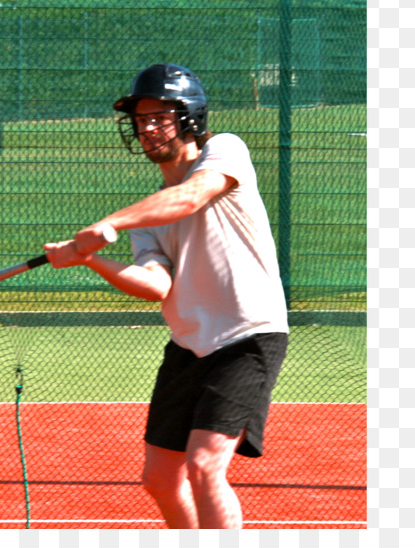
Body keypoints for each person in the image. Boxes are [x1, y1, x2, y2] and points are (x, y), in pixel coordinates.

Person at [43, 63, 289, 529]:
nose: (147, 128)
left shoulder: (225, 151)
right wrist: (89, 258)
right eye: (140, 120)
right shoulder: (150, 212)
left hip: (248, 335)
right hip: (189, 345)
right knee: (159, 477)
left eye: (160, 116)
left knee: (204, 465)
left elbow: (192, 197)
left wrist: (110, 224)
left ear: (191, 117)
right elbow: (155, 285)